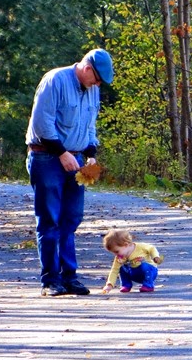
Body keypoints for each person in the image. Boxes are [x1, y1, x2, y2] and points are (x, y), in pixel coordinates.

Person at [26, 48, 114, 297]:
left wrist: (90, 153)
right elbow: (42, 122)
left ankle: (70, 276)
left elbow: (90, 125)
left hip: (75, 159)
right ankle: (50, 279)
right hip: (47, 156)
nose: (97, 85)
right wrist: (61, 153)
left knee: (71, 219)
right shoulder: (55, 80)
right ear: (87, 69)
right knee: (50, 219)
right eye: (96, 79)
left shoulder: (92, 90)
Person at [101, 229, 163, 294]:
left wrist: (155, 256)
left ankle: (148, 285)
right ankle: (126, 285)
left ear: (126, 245)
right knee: (122, 268)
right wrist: (109, 285)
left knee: (143, 265)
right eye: (113, 252)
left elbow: (152, 248)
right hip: (134, 274)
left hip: (150, 272)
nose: (116, 254)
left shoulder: (140, 247)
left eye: (117, 251)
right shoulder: (119, 258)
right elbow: (114, 271)